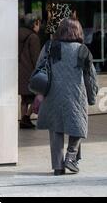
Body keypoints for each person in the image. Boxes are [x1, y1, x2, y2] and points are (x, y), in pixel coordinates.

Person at [36, 18, 98, 176]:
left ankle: (58, 167)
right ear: (78, 31)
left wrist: (39, 92)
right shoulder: (83, 50)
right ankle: (71, 156)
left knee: (56, 129)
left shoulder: (50, 46)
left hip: (52, 95)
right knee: (78, 125)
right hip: (76, 95)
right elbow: (90, 77)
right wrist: (92, 97)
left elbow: (39, 68)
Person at [18, 14, 41, 129]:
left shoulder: (17, 34)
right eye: (38, 23)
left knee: (24, 99)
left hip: (20, 73)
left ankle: (23, 119)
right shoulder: (33, 37)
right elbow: (36, 58)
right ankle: (26, 117)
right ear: (34, 23)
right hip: (30, 73)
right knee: (35, 97)